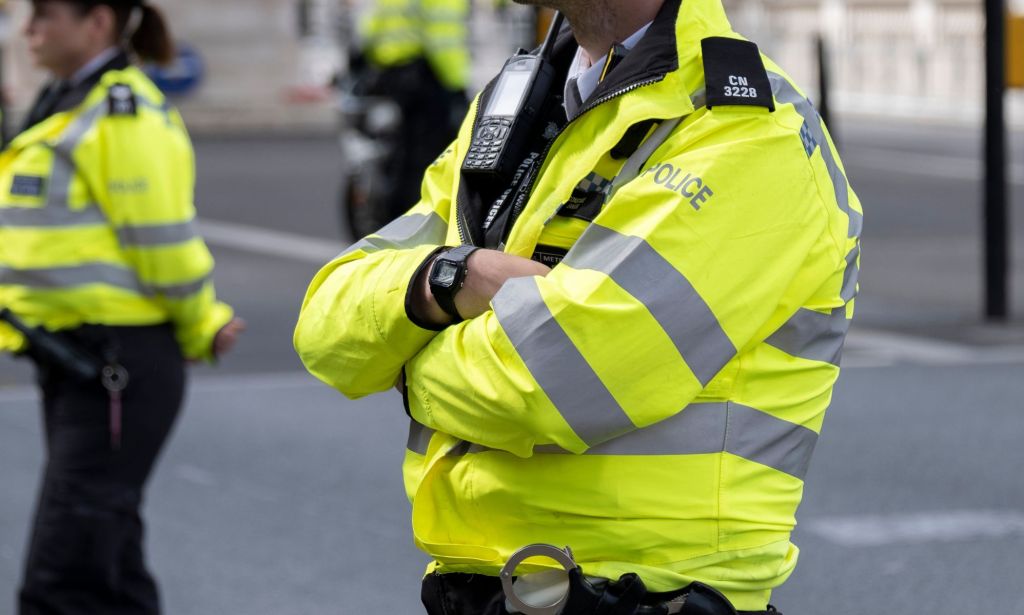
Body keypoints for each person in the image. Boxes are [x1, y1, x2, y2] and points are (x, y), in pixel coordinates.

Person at [295, 0, 862, 612]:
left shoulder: (747, 129)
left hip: (647, 593)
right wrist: (448, 279)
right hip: (489, 586)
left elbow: (550, 379)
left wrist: (405, 357)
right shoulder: (521, 102)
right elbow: (327, 329)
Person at [0, 1, 244, 613]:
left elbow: (164, 242)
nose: (27, 29)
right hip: (78, 356)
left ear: (98, 22)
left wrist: (203, 324)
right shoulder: (69, 100)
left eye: (44, 15)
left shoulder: (120, 113)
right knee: (106, 568)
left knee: (62, 579)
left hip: (118, 364)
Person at [356, 0, 470, 224]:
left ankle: (394, 211)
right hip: (427, 75)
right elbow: (442, 40)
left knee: (403, 148)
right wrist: (457, 85)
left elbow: (370, 26)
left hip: (392, 73)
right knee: (431, 153)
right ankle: (420, 217)